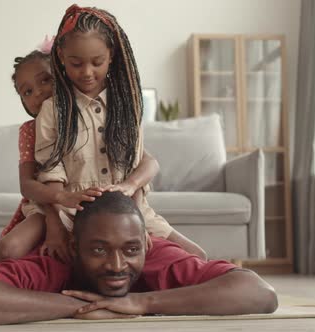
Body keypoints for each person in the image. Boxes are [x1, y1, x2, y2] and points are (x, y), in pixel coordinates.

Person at [0, 191, 278, 325]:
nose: (115, 265)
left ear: (146, 242)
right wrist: (81, 306)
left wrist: (142, 302)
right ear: (74, 247)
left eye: (130, 250)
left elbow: (260, 293)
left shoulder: (159, 256)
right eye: (97, 250)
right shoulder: (57, 260)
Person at [35, 4, 206, 258]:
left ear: (112, 55)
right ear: (60, 56)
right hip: (73, 214)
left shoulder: (128, 105)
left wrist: (136, 223)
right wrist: (57, 222)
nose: (87, 72)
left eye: (97, 62)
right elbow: (51, 174)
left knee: (197, 256)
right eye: (76, 63)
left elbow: (135, 168)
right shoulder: (52, 110)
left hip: (131, 212)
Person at [0, 39, 161, 262]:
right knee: (7, 249)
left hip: (91, 202)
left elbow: (145, 161)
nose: (39, 92)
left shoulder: (91, 115)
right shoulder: (30, 131)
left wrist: (132, 199)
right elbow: (31, 184)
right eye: (27, 92)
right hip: (47, 205)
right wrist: (53, 221)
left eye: (45, 80)